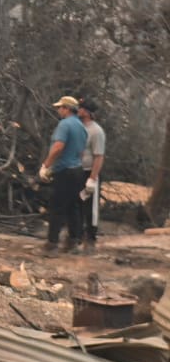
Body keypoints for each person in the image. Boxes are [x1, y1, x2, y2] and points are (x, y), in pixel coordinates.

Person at [40, 95, 89, 254]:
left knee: (57, 207)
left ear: (67, 109)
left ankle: (51, 244)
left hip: (64, 171)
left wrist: (46, 165)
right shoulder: (81, 127)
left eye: (60, 107)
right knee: (73, 207)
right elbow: (82, 152)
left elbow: (58, 147)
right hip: (77, 170)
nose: (58, 110)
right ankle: (73, 242)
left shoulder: (64, 125)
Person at [78, 98, 106, 250]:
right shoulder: (78, 127)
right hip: (77, 171)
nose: (78, 110)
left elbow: (99, 156)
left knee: (90, 207)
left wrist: (92, 179)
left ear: (87, 112)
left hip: (89, 172)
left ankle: (91, 237)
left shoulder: (96, 131)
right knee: (78, 205)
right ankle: (78, 235)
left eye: (81, 108)